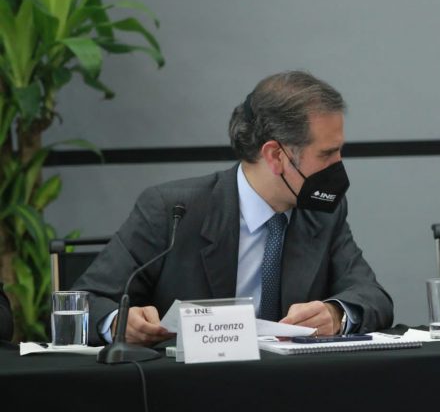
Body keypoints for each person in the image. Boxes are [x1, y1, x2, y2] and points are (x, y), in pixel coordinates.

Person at [74, 70, 393, 346]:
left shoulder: (322, 212)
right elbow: (83, 304)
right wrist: (118, 322)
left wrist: (336, 314)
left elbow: (372, 295)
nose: (339, 165)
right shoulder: (172, 210)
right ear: (275, 156)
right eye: (327, 154)